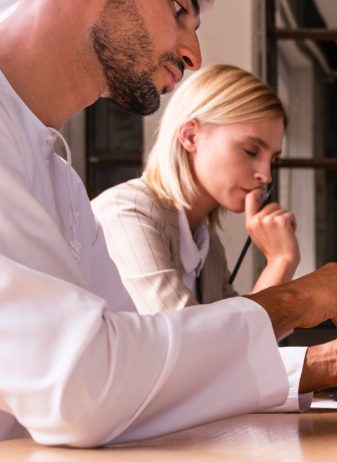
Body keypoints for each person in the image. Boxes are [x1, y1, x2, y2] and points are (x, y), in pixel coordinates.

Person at [0, 0, 337, 446]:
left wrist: (326, 365)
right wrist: (294, 298)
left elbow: (137, 362)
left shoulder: (52, 170)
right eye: (178, 6)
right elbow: (82, 389)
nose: (193, 53)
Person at [93, 64, 302, 310]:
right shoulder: (129, 212)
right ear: (191, 136)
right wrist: (280, 261)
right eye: (250, 151)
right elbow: (189, 340)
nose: (265, 175)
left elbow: (236, 338)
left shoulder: (209, 248)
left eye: (273, 160)